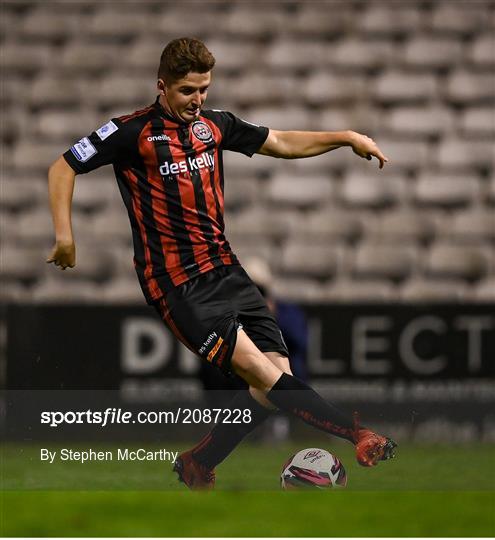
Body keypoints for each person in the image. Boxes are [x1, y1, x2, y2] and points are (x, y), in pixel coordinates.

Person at [47, 37, 396, 490]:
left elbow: (282, 142)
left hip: (227, 270)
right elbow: (63, 167)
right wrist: (65, 235)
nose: (198, 100)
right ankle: (359, 434)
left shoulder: (215, 126)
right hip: (178, 284)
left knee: (274, 385)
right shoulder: (131, 132)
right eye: (188, 90)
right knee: (265, 376)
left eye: (204, 89)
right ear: (162, 86)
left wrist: (345, 137)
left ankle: (199, 461)